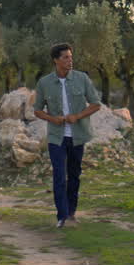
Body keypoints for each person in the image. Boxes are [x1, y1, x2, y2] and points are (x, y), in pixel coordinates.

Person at [33, 42, 101, 228]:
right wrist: (52, 119)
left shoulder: (82, 79)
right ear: (56, 60)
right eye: (65, 57)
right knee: (59, 176)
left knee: (74, 175)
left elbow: (96, 104)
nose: (70, 61)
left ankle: (71, 213)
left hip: (78, 135)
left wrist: (77, 116)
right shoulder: (44, 83)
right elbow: (37, 110)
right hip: (56, 137)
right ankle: (61, 216)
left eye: (71, 57)